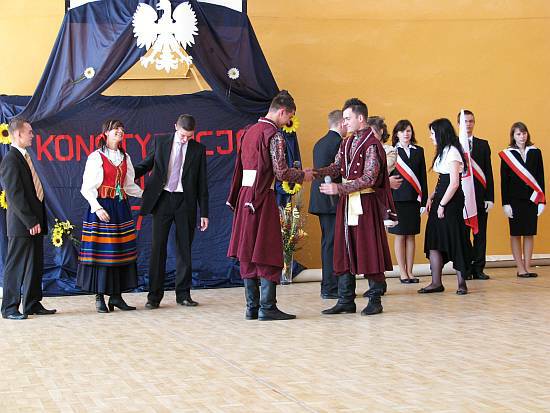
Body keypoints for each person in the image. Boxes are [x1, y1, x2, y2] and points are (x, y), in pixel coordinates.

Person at [227, 90, 313, 321]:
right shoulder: (274, 135)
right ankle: (267, 307)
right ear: (282, 111)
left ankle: (251, 308)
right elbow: (281, 171)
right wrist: (302, 175)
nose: (288, 122)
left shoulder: (248, 132)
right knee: (267, 250)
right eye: (289, 117)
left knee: (247, 251)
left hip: (245, 197)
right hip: (262, 197)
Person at [317, 98, 395, 316]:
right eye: (343, 119)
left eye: (348, 118)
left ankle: (375, 300)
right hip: (347, 202)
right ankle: (345, 299)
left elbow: (370, 177)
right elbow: (336, 167)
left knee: (369, 248)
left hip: (365, 203)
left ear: (361, 118)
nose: (345, 122)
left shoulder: (372, 145)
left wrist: (340, 188)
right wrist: (314, 173)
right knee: (343, 247)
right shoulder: (346, 143)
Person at [134, 114, 209, 309]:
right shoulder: (160, 142)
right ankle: (153, 297)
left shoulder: (198, 149)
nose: (185, 140)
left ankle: (183, 295)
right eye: (183, 135)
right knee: (158, 249)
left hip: (186, 202)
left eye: (189, 136)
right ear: (176, 127)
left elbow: (202, 182)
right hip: (163, 199)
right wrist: (125, 174)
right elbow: (146, 164)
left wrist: (204, 213)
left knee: (184, 249)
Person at [77, 119, 143, 313]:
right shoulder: (96, 157)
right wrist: (97, 208)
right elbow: (87, 188)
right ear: (106, 132)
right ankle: (99, 297)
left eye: (122, 129)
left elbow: (128, 186)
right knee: (102, 251)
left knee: (120, 251)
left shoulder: (125, 157)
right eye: (116, 129)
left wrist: (147, 194)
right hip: (102, 207)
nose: (120, 131)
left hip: (120, 207)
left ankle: (116, 296)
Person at [0, 117, 56, 319]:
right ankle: (9, 308)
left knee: (35, 264)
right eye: (29, 132)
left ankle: (32, 303)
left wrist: (37, 220)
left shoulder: (24, 157)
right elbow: (14, 196)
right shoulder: (11, 160)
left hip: (34, 222)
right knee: (16, 265)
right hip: (22, 224)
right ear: (18, 134)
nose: (33, 135)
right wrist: (30, 221)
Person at [419, 118, 472, 295]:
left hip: (451, 201)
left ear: (441, 133)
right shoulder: (442, 151)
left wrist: (442, 204)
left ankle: (462, 283)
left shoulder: (453, 152)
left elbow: (454, 183)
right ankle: (436, 282)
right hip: (441, 197)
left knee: (455, 238)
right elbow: (442, 180)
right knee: (434, 239)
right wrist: (432, 196)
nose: (430, 137)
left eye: (433, 133)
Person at [308, 109, 346, 300]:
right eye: (346, 122)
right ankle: (331, 287)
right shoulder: (340, 143)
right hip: (331, 199)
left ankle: (329, 285)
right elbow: (340, 171)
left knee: (328, 243)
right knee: (333, 244)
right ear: (341, 123)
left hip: (320, 199)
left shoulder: (320, 142)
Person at [499, 122, 545, 278]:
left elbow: (540, 177)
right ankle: (520, 268)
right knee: (516, 234)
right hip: (514, 200)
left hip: (532, 199)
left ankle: (527, 267)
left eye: (524, 133)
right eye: (518, 134)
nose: (522, 136)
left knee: (529, 233)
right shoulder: (508, 154)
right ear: (513, 136)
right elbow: (504, 181)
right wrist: (505, 203)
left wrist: (542, 200)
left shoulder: (535, 152)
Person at [388, 120, 428, 284]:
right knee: (400, 235)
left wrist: (424, 201)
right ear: (396, 134)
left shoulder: (419, 151)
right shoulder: (391, 151)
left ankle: (410, 272)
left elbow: (423, 178)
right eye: (403, 131)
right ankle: (402, 272)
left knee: (411, 235)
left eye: (409, 130)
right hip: (397, 199)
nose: (406, 133)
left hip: (413, 199)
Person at [458, 110, 494, 280]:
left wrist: (490, 198)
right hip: (461, 199)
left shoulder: (483, 145)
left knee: (480, 235)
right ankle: (465, 268)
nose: (468, 124)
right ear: (459, 124)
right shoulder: (455, 145)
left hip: (480, 198)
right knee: (463, 235)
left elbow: (488, 172)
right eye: (465, 121)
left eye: (471, 121)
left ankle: (478, 268)